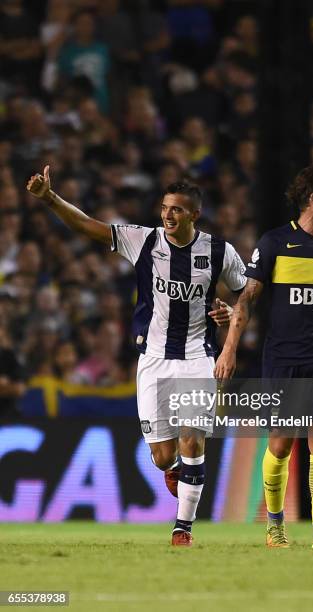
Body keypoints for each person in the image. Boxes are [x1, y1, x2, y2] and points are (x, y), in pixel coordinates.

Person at [27, 166, 246, 546]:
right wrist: (50, 198)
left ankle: (183, 529)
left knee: (192, 439)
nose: (168, 215)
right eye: (165, 208)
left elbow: (248, 292)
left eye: (177, 210)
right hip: (154, 360)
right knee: (163, 455)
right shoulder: (143, 241)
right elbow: (88, 226)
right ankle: (174, 469)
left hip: (198, 356)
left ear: (194, 214)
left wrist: (230, 320)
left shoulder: (219, 251)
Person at [215, 166, 313, 549]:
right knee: (282, 444)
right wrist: (229, 347)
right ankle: (275, 528)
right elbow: (247, 298)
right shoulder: (274, 243)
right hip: (284, 360)